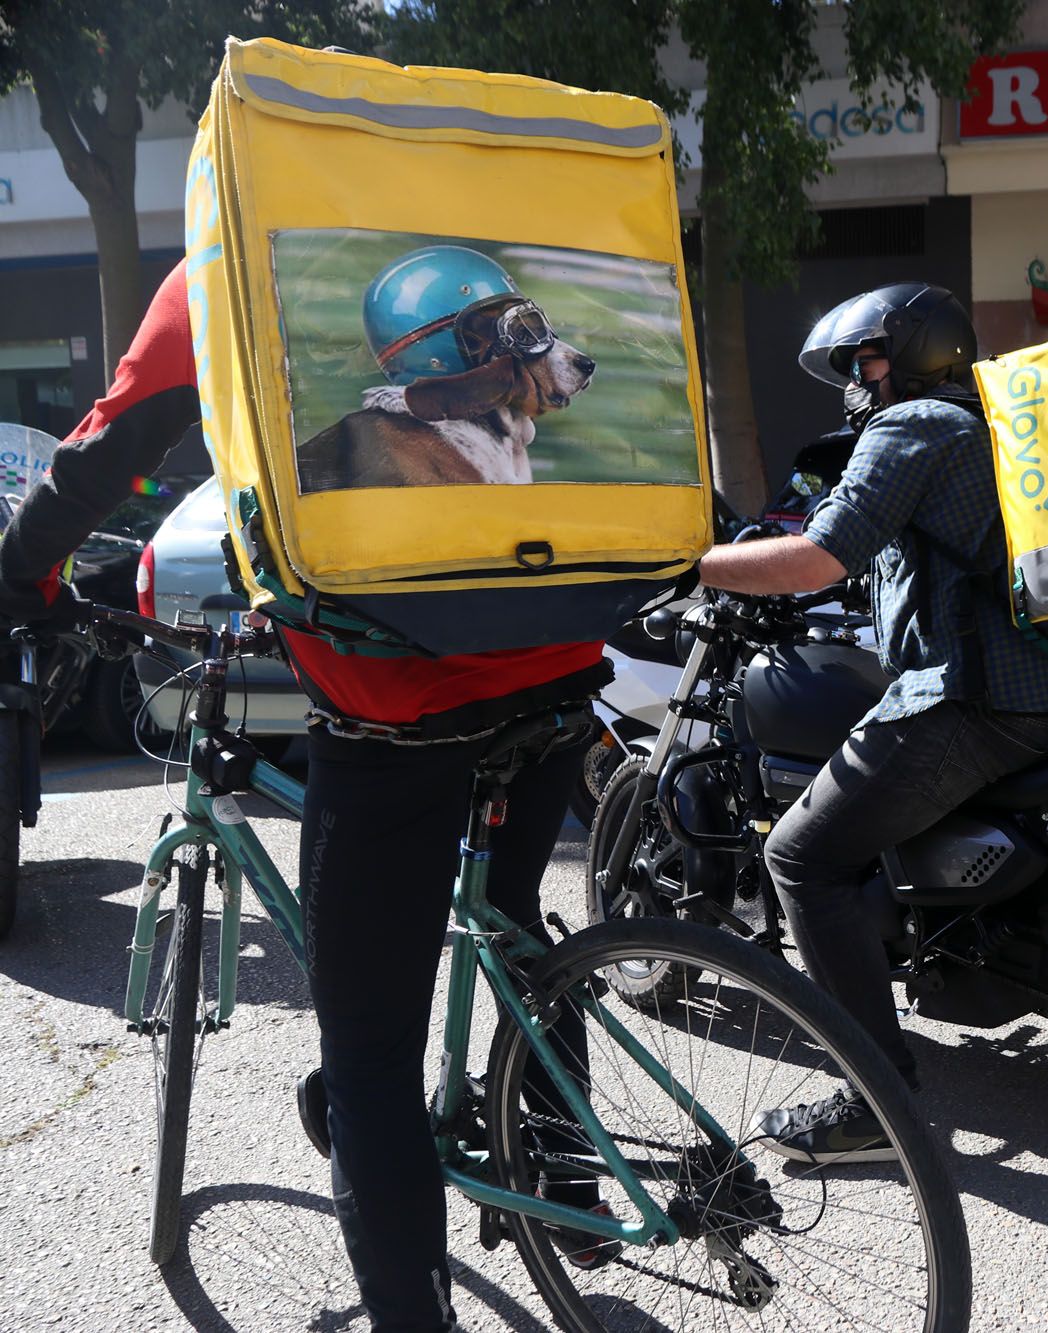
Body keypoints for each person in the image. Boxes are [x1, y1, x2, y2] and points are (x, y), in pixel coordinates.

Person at [0, 259, 612, 1332]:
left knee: (368, 1056)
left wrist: (18, 580)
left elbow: (109, 443)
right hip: (557, 660)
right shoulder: (472, 234)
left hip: (399, 706)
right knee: (518, 928)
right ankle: (571, 1188)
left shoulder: (229, 246)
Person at [696, 282, 1048, 1164]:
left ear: (919, 352)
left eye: (869, 359)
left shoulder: (912, 426)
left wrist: (695, 565)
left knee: (801, 854)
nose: (858, 380)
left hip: (980, 701)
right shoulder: (996, 426)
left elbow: (819, 555)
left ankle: (870, 1104)